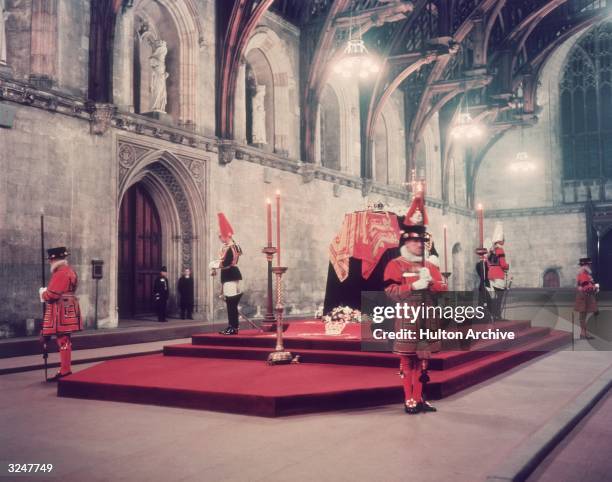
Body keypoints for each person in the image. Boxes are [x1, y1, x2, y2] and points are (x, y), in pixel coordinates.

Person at [384, 186, 447, 414]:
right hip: (408, 318)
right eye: (415, 242)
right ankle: (409, 398)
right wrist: (412, 286)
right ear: (406, 243)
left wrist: (431, 283)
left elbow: (443, 288)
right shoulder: (396, 265)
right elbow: (390, 291)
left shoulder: (430, 265)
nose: (420, 245)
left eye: (422, 242)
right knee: (408, 360)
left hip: (428, 317)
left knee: (423, 361)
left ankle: (420, 397)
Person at [39, 246, 82, 381]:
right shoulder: (70, 271)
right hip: (68, 306)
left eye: (50, 260)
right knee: (65, 340)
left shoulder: (61, 273)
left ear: (54, 259)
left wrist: (42, 293)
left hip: (60, 309)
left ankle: (65, 370)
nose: (50, 263)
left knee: (62, 339)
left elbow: (52, 294)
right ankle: (65, 369)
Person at [210, 213, 243, 335]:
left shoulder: (232, 247)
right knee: (230, 303)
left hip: (230, 275)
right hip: (228, 276)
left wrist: (213, 265)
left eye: (221, 236)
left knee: (231, 303)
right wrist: (215, 265)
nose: (220, 238)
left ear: (226, 236)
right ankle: (232, 326)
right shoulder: (227, 247)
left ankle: (233, 327)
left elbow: (227, 263)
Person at [487, 222, 510, 321]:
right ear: (500, 240)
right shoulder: (500, 250)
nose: (504, 241)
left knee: (494, 296)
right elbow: (503, 264)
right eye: (503, 239)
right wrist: (507, 266)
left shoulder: (491, 250)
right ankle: (498, 315)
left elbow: (488, 263)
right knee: (499, 297)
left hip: (491, 275)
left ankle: (493, 315)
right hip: (498, 275)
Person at [575, 257, 599, 339]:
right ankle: (583, 333)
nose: (590, 266)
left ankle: (584, 333)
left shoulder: (586, 275)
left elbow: (589, 286)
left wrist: (594, 287)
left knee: (583, 316)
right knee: (582, 316)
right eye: (589, 264)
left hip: (585, 296)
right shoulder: (583, 275)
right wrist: (595, 287)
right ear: (585, 265)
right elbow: (587, 287)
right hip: (584, 297)